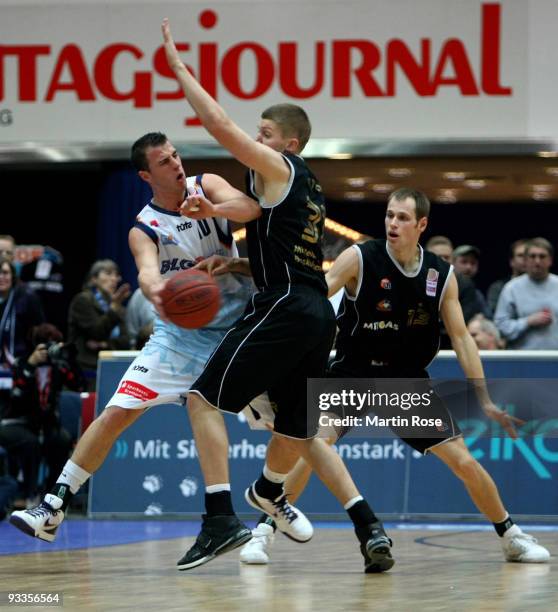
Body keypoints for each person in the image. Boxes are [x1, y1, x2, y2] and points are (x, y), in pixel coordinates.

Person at [162, 18, 393, 573]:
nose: (254, 140)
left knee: (201, 399)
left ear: (287, 144)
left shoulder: (280, 165)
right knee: (295, 426)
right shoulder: (306, 186)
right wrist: (236, 260)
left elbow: (219, 127)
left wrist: (179, 72)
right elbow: (296, 253)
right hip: (316, 311)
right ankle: (269, 492)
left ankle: (219, 519)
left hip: (285, 306)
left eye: (262, 133)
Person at [241, 188, 550, 565]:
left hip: (404, 382)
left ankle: (511, 536)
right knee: (313, 447)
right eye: (389, 215)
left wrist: (483, 398)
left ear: (421, 225)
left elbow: (463, 338)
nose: (392, 223)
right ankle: (262, 532)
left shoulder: (441, 274)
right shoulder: (359, 257)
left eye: (402, 218)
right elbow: (313, 303)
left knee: (464, 461)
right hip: (352, 374)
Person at [9, 131, 256, 546]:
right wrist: (156, 290)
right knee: (116, 413)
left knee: (285, 422)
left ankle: (272, 502)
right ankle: (54, 505)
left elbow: (250, 208)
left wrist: (210, 209)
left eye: (176, 156)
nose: (176, 164)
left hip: (234, 333)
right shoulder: (143, 227)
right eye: (164, 162)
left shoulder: (206, 185)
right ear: (146, 175)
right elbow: (145, 269)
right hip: (177, 337)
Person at [0, 323, 86, 502]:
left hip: (46, 423)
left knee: (61, 441)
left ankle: (52, 495)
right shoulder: (21, 363)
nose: (51, 350)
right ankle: (27, 493)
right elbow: (16, 395)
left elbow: (79, 385)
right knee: (30, 443)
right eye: (47, 345)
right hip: (16, 422)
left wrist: (70, 360)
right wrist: (31, 365)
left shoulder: (59, 367)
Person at [67, 259, 131, 389]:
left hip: (115, 367)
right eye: (108, 274)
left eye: (116, 275)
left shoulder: (118, 307)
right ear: (94, 279)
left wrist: (105, 344)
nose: (114, 279)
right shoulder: (83, 300)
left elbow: (126, 341)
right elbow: (97, 332)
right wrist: (113, 309)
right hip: (88, 370)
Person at [494, 237, 558, 349]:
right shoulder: (511, 288)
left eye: (542, 256)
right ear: (526, 260)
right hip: (523, 359)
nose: (537, 261)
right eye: (532, 256)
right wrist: (527, 322)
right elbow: (500, 326)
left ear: (550, 260)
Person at [425, 236, 484, 348]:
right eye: (437, 257)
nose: (442, 261)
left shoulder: (465, 284)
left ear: (452, 260)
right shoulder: (414, 280)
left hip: (452, 341)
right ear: (426, 257)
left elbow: (463, 319)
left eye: (446, 257)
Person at [486, 239, 527, 316]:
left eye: (528, 256)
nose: (525, 259)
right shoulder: (498, 287)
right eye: (520, 255)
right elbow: (496, 316)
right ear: (511, 261)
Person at [452, 244, 490, 317]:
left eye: (473, 263)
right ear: (452, 263)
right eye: (464, 262)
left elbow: (489, 317)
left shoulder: (477, 294)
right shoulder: (444, 288)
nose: (468, 267)